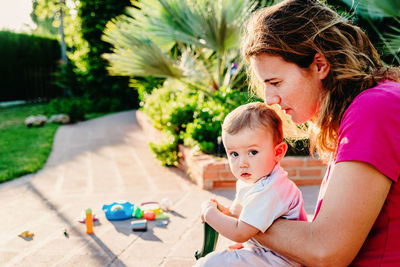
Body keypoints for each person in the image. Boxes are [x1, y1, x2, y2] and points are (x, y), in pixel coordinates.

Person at [240, 0, 400, 266]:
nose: (269, 98)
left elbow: (326, 250)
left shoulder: (374, 109)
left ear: (319, 65)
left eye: (275, 82)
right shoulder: (368, 105)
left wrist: (243, 221)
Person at [196, 102, 307, 267]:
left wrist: (209, 213)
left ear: (278, 152)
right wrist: (221, 212)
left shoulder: (272, 189)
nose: (242, 163)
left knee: (211, 263)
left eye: (253, 152)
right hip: (267, 251)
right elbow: (236, 215)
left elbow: (239, 232)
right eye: (234, 154)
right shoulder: (251, 179)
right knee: (224, 258)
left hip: (283, 259)